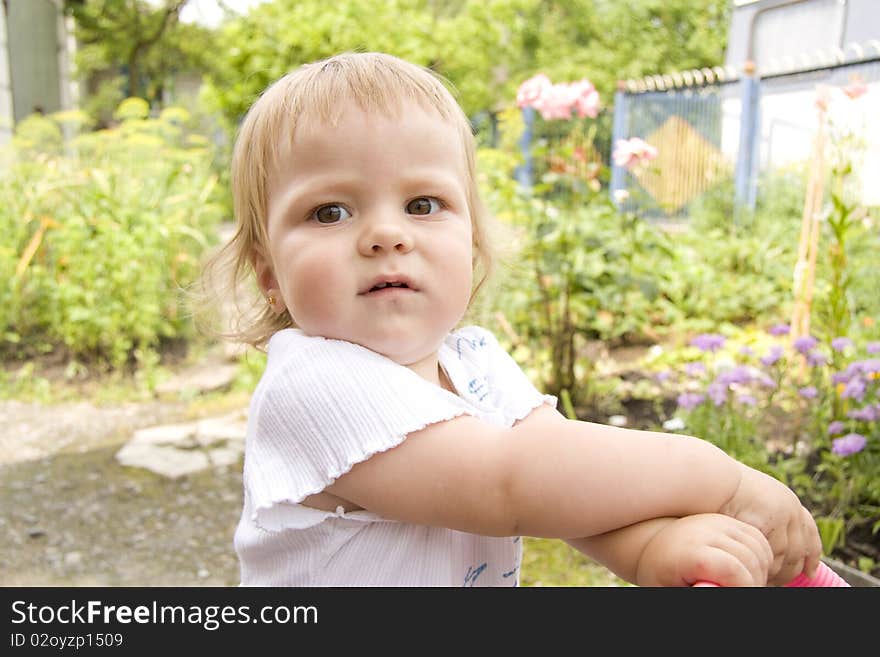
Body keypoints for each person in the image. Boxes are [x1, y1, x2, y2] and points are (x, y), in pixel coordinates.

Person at [204, 51, 821, 587]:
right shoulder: (313, 384)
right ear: (268, 274)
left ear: (471, 247)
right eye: (330, 212)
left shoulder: (472, 361)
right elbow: (507, 487)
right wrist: (720, 478)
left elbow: (559, 480)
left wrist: (649, 548)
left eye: (423, 204)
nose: (386, 234)